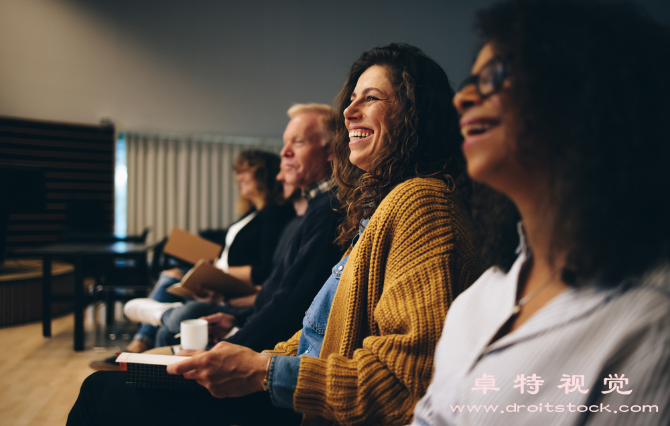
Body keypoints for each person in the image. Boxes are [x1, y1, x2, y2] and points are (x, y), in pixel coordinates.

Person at [68, 43, 484, 426]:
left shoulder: (421, 203)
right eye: (351, 99)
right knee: (115, 388)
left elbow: (406, 384)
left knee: (103, 395)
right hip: (293, 393)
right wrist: (251, 358)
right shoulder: (382, 207)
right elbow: (314, 336)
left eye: (371, 98)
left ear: (415, 112)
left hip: (305, 408)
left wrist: (262, 371)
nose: (349, 112)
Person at [411, 1, 670, 425]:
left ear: (590, 92)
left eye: (497, 74)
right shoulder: (479, 299)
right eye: (470, 79)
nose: (463, 97)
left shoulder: (650, 323)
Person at [122, 149, 294, 354]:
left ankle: (144, 337)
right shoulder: (250, 213)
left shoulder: (273, 215)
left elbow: (264, 270)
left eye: (244, 172)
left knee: (170, 288)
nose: (239, 179)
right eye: (238, 173)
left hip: (237, 286)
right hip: (223, 277)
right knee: (170, 276)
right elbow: (227, 252)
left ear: (263, 174)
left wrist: (218, 276)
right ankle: (147, 335)